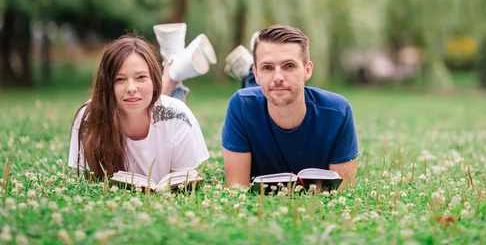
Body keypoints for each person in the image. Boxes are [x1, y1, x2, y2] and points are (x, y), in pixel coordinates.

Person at [221, 25, 359, 188]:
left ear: (307, 70)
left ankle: (251, 69)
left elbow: (344, 193)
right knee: (267, 90)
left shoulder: (338, 112)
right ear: (257, 73)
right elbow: (237, 189)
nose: (278, 76)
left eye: (289, 66)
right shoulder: (241, 105)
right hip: (258, 94)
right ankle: (250, 74)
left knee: (275, 88)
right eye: (267, 67)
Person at [68, 34, 210, 183]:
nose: (131, 88)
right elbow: (90, 182)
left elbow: (181, 186)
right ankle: (172, 72)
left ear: (154, 80)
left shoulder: (179, 116)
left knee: (167, 108)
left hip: (164, 111)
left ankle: (172, 74)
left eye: (141, 77)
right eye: (120, 79)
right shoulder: (90, 117)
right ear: (107, 85)